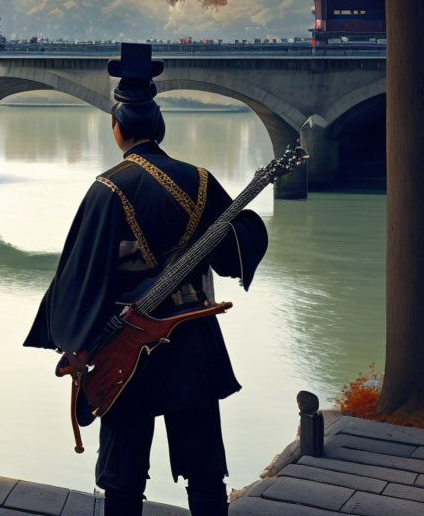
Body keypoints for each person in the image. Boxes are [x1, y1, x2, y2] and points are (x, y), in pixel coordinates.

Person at [24, 43, 269, 516]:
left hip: (126, 345)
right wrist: (241, 227)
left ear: (117, 131)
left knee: (123, 473)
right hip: (193, 336)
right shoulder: (200, 180)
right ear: (159, 127)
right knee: (203, 468)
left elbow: (79, 274)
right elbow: (229, 258)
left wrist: (73, 341)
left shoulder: (108, 187)